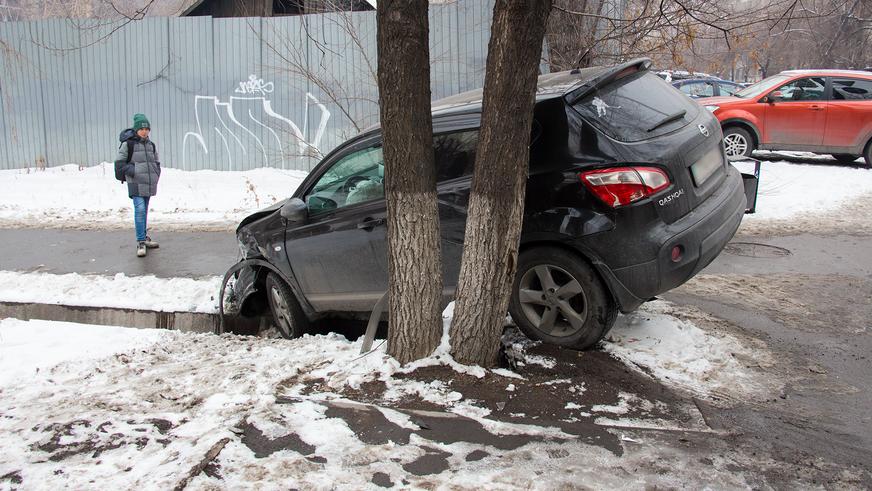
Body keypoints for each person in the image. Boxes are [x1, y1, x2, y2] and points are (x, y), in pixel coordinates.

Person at [115, 113, 161, 257]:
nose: (145, 131)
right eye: (142, 129)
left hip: (148, 182)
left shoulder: (150, 145)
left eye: (147, 129)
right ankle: (140, 241)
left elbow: (156, 162)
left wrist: (156, 173)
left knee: (144, 210)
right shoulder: (128, 144)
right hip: (135, 182)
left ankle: (144, 237)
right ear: (136, 130)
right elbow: (119, 163)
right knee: (140, 209)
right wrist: (134, 171)